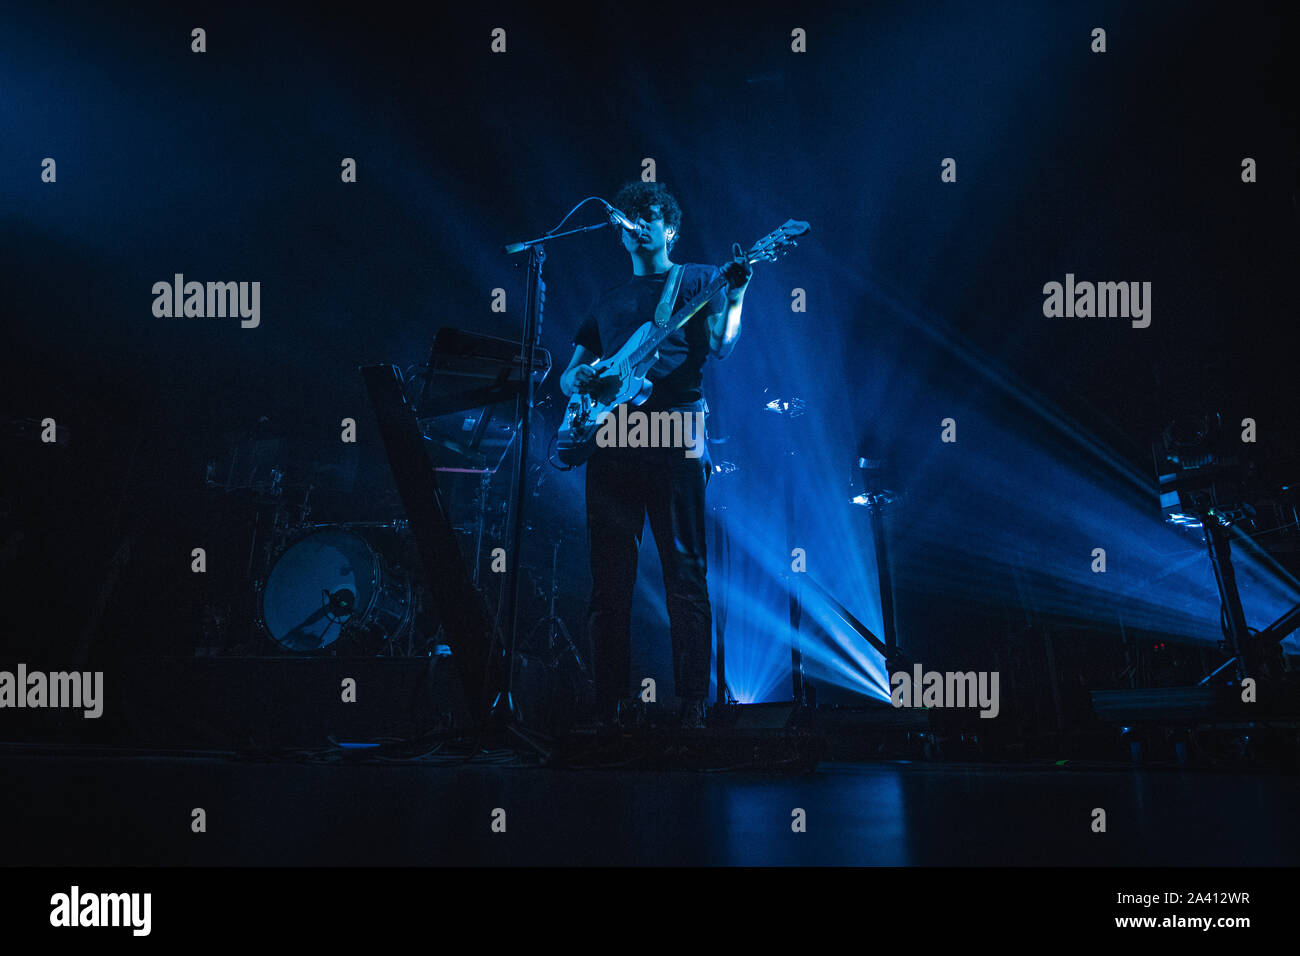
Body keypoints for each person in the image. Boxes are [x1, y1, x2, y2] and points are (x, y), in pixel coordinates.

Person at [558, 181, 751, 729]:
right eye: (629, 216)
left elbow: (721, 345)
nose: (634, 222)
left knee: (685, 575)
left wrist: (735, 296)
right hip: (613, 439)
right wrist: (587, 376)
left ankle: (693, 706)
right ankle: (610, 704)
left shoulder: (695, 278)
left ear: (669, 229)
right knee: (609, 579)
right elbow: (570, 376)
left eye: (648, 216)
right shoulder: (607, 302)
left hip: (676, 431)